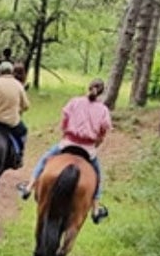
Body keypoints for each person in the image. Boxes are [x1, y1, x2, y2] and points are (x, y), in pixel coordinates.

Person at [16, 79, 112, 223]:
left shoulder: (75, 102)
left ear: (89, 87)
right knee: (98, 176)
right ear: (101, 92)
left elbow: (64, 122)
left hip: (68, 143)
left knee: (44, 159)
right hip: (88, 149)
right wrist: (96, 142)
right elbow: (103, 131)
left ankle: (29, 187)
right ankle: (96, 208)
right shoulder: (103, 110)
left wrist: (66, 133)